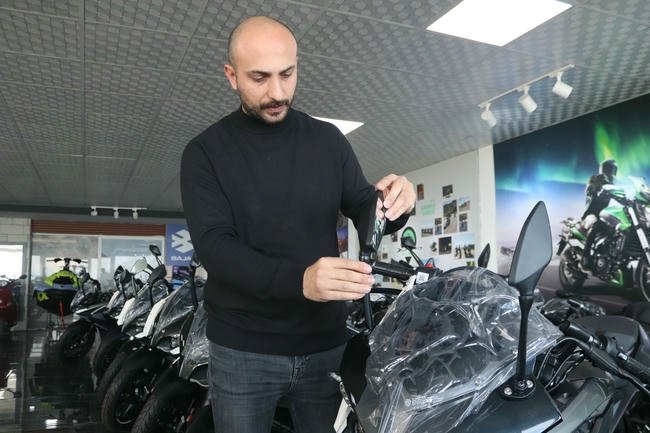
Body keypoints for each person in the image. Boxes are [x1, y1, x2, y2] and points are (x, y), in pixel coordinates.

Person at [179, 15, 416, 433]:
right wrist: (300, 280)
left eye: (287, 74)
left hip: (326, 345)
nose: (277, 92)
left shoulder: (328, 141)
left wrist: (396, 203)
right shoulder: (204, 153)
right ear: (231, 76)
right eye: (259, 77)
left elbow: (364, 206)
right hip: (242, 350)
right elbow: (215, 247)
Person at [580, 159, 617, 270]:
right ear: (604, 169)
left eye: (614, 170)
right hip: (590, 215)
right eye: (610, 169)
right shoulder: (595, 179)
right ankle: (585, 256)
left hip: (603, 215)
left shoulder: (611, 185)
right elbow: (589, 190)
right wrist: (594, 189)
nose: (612, 172)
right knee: (595, 224)